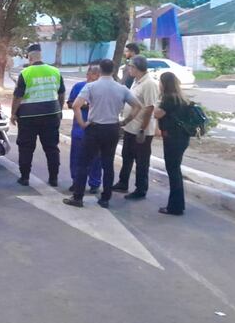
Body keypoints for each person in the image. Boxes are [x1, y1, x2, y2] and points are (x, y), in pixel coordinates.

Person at [63, 59, 143, 209]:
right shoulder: (121, 88)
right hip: (112, 128)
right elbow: (137, 106)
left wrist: (82, 123)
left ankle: (78, 197)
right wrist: (124, 122)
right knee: (107, 164)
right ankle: (105, 198)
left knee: (83, 163)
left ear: (99, 71)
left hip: (94, 128)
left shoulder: (91, 86)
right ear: (113, 71)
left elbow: (75, 105)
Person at [11, 44, 66, 187]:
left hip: (28, 117)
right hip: (51, 114)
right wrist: (59, 110)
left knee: (26, 147)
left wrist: (13, 114)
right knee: (51, 147)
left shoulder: (25, 73)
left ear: (29, 57)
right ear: (41, 55)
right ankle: (53, 179)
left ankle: (24, 178)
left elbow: (18, 96)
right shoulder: (55, 71)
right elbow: (61, 93)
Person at [113, 56, 160, 200]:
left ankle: (141, 189)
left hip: (141, 129)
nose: (129, 69)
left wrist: (142, 129)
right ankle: (123, 182)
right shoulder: (136, 81)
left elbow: (150, 108)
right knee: (127, 157)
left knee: (141, 161)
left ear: (137, 68)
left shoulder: (149, 84)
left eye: (131, 66)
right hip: (130, 127)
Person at [154, 72, 191, 216]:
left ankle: (175, 206)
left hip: (173, 139)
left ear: (164, 83)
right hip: (182, 138)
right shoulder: (181, 98)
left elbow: (157, 114)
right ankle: (177, 204)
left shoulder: (168, 99)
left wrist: (156, 106)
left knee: (173, 172)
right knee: (176, 170)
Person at [67, 65, 102, 194]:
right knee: (76, 155)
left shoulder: (102, 88)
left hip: (96, 127)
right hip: (79, 127)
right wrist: (83, 105)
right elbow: (70, 103)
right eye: (92, 74)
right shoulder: (78, 87)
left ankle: (94, 183)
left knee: (96, 157)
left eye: (97, 75)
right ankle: (76, 181)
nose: (93, 77)